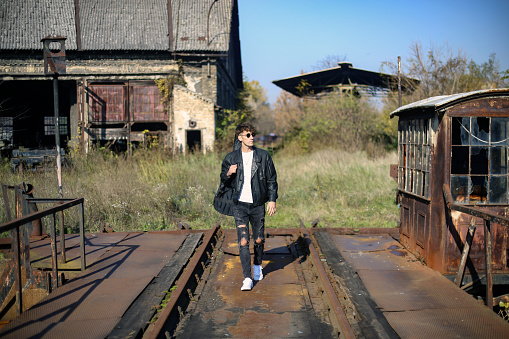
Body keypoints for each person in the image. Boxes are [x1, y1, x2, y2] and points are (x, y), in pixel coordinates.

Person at [216, 123, 278, 291]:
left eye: (253, 134)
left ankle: (257, 266)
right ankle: (247, 278)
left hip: (258, 204)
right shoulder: (231, 157)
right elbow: (223, 179)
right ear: (240, 137)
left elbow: (272, 179)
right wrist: (228, 173)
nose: (252, 137)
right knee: (243, 241)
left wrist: (272, 200)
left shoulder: (263, 156)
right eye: (248, 135)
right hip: (240, 205)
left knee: (258, 239)